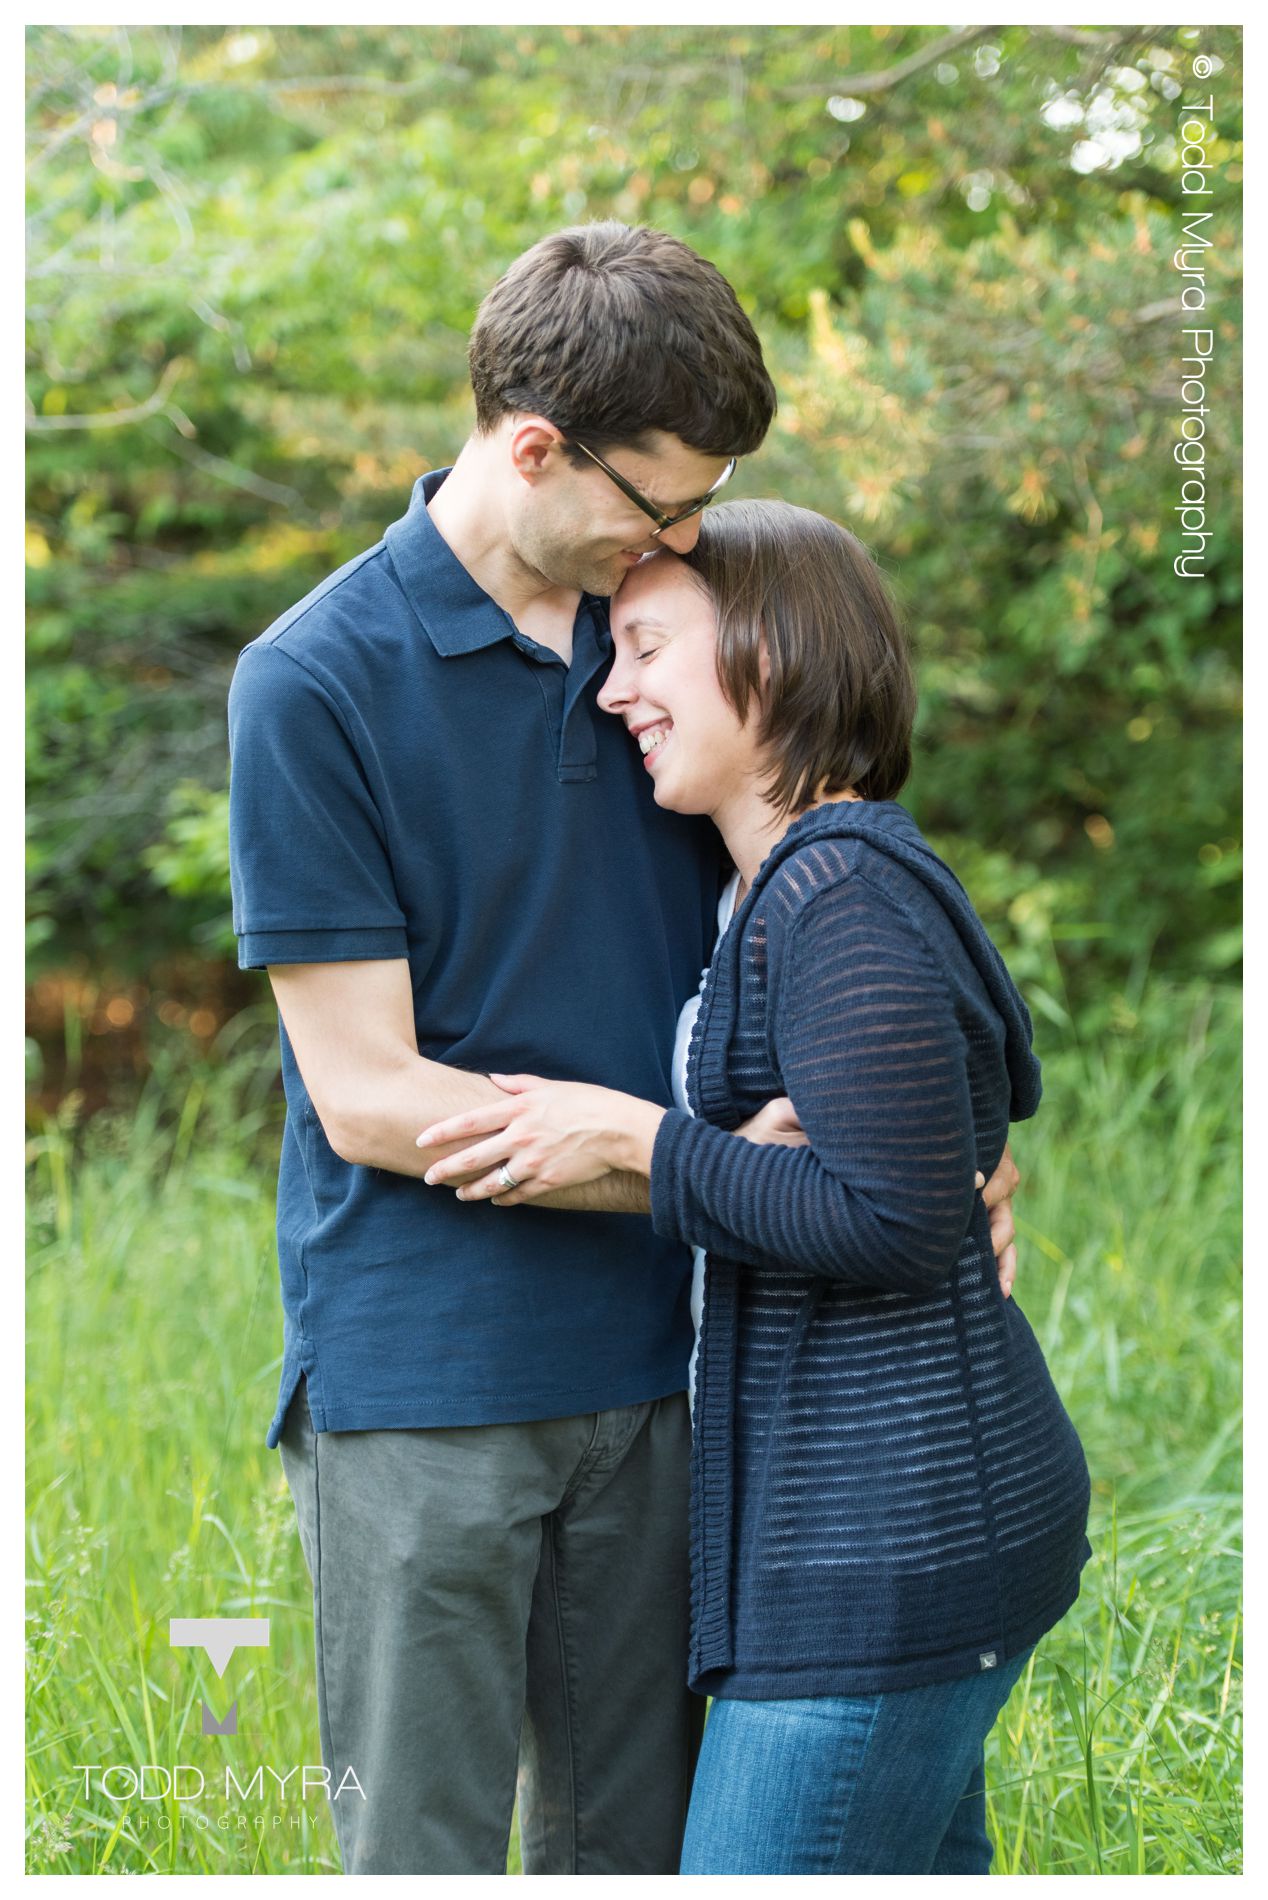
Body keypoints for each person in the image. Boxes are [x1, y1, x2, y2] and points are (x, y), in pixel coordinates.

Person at [227, 223, 1022, 1876]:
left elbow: (842, 922)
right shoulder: (312, 683)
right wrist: (737, 1174)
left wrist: (923, 1147)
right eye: (663, 499)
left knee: (639, 1851)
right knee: (426, 1850)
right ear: (535, 448)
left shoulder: (672, 640)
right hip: (426, 1383)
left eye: (707, 501)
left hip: (684, 1371)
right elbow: (369, 1096)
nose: (688, 531)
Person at [419, 499, 1093, 1876]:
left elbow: (903, 1221)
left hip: (893, 1554)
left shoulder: (836, 894)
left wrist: (641, 1141)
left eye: (650, 647)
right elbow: (950, 1131)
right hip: (877, 1541)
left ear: (771, 660)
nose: (614, 690)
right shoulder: (786, 887)